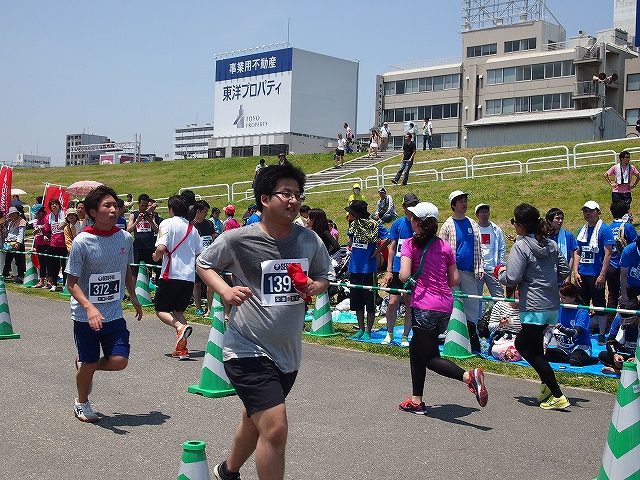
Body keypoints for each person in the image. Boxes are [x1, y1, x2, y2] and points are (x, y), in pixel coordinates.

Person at [196, 164, 330, 480]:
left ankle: (227, 472)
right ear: (264, 199)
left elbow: (325, 275)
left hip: (287, 354)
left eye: (297, 194)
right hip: (246, 350)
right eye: (286, 194)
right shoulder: (239, 239)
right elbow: (203, 263)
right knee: (276, 426)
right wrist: (225, 290)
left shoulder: (309, 241)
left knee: (253, 419)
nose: (293, 200)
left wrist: (315, 286)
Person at [397, 202, 487, 414]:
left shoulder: (410, 244)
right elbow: (454, 279)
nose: (410, 220)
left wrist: (418, 282)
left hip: (423, 305)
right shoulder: (445, 246)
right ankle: (417, 400)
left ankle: (469, 376)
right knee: (415, 349)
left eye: (412, 217)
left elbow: (403, 275)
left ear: (417, 222)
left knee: (429, 357)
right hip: (445, 305)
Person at [65, 185, 143, 423]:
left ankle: (85, 367)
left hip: (113, 313)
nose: (112, 210)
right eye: (106, 206)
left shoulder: (125, 238)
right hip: (85, 316)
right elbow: (71, 283)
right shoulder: (82, 241)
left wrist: (134, 295)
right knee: (89, 362)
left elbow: (126, 269)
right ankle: (82, 403)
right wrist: (89, 307)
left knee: (119, 361)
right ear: (92, 211)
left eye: (114, 205)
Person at [497, 203, 571, 410]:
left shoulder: (521, 246)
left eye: (514, 222)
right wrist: (549, 282)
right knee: (525, 345)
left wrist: (499, 273)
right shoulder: (551, 244)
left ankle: (557, 394)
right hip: (551, 305)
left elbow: (512, 278)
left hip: (533, 306)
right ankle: (547, 387)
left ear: (520, 225)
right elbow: (565, 270)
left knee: (533, 351)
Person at [152, 195, 204, 360]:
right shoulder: (193, 228)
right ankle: (182, 348)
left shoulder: (166, 223)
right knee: (179, 310)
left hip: (170, 274)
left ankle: (180, 327)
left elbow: (161, 248)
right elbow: (200, 253)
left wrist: (154, 257)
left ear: (171, 209)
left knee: (161, 309)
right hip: (188, 277)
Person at [440, 190, 484, 352]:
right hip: (452, 272)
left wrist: (479, 267)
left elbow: (478, 248)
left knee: (473, 305)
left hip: (469, 272)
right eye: (460, 201)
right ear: (453, 205)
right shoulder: (447, 225)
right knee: (455, 303)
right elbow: (442, 252)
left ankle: (473, 337)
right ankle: (454, 337)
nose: (464, 204)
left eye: (465, 201)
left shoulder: (472, 223)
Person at [345, 200, 389, 340]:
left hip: (369, 268)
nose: (350, 215)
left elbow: (389, 237)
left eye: (352, 212)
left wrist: (378, 251)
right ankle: (361, 328)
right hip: (354, 267)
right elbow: (350, 241)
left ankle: (369, 330)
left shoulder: (374, 225)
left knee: (370, 301)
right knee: (357, 300)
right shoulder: (353, 225)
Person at [574, 200, 614, 346]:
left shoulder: (604, 230)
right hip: (582, 274)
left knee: (599, 305)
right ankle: (582, 330)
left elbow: (608, 253)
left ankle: (602, 334)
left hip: (596, 274)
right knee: (581, 305)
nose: (588, 213)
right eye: (585, 211)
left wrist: (602, 274)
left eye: (591, 211)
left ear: (598, 212)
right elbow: (577, 251)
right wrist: (576, 271)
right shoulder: (581, 230)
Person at [381, 193, 419, 346]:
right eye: (409, 205)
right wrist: (389, 270)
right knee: (392, 302)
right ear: (403, 207)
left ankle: (405, 335)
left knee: (410, 303)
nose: (412, 208)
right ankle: (389, 334)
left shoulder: (421, 224)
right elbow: (392, 248)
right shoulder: (397, 224)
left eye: (415, 204)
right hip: (397, 269)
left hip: (413, 271)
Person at [543, 283, 599, 366]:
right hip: (563, 348)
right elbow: (550, 329)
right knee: (541, 354)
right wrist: (545, 344)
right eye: (560, 297)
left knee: (575, 361)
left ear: (573, 297)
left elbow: (576, 333)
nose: (560, 300)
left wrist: (560, 328)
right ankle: (568, 358)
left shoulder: (582, 311)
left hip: (580, 346)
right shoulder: (559, 309)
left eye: (564, 298)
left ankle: (594, 359)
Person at [606, 200, 638, 328]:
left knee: (612, 297)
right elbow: (637, 243)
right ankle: (625, 327)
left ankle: (609, 326)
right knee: (626, 298)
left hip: (610, 267)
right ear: (627, 212)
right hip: (622, 268)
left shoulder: (609, 227)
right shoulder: (628, 227)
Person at [598, 298, 639, 375]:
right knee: (603, 355)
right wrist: (615, 355)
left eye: (631, 321)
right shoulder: (618, 320)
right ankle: (628, 370)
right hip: (630, 357)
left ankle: (620, 371)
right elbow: (610, 342)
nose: (628, 324)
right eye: (625, 322)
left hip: (637, 358)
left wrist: (637, 359)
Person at [475, 203, 506, 301]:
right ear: (477, 215)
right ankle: (478, 316)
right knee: (476, 297)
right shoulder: (474, 229)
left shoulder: (496, 229)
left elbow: (502, 247)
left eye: (486, 212)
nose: (484, 214)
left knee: (499, 297)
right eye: (482, 212)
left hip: (492, 269)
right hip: (478, 269)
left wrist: (500, 265)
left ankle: (501, 315)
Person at [127, 194, 161, 281]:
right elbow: (128, 230)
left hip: (149, 247)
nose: (144, 208)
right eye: (142, 206)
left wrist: (151, 222)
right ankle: (134, 293)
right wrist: (137, 221)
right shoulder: (133, 215)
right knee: (135, 271)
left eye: (146, 206)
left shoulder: (151, 215)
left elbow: (157, 231)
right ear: (138, 203)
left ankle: (146, 292)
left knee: (148, 270)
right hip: (138, 247)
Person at [192, 200, 215, 317]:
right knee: (197, 284)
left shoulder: (209, 224)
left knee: (210, 284)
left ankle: (210, 307)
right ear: (198, 211)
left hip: (210, 258)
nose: (206, 213)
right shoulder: (191, 225)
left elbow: (213, 238)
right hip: (195, 259)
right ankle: (198, 307)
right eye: (205, 211)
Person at [487, 286, 522, 361]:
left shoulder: (525, 307)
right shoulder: (500, 305)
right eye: (519, 290)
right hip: (503, 339)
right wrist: (500, 324)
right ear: (513, 290)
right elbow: (490, 328)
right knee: (496, 350)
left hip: (519, 339)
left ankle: (512, 353)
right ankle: (515, 353)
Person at [545, 208, 577, 284]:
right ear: (549, 220)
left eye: (562, 218)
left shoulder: (568, 236)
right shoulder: (544, 236)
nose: (560, 221)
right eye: (557, 218)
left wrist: (567, 275)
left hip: (563, 275)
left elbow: (572, 257)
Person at [2, 206, 26, 284]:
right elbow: (9, 232)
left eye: (13, 214)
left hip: (17, 243)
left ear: (17, 213)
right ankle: (5, 275)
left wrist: (18, 242)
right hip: (10, 243)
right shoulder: (11, 222)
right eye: (11, 214)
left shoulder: (21, 221)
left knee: (19, 261)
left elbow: (21, 233)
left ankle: (20, 277)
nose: (12, 215)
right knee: (8, 260)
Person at [32, 205, 51, 289]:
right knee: (41, 263)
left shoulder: (46, 217)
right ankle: (41, 280)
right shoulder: (38, 219)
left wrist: (40, 227)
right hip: (39, 243)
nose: (37, 215)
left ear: (42, 211)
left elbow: (46, 225)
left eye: (38, 213)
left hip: (46, 244)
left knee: (48, 263)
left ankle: (50, 281)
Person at [620, 237, 640, 302]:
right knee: (626, 306)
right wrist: (624, 295)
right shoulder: (628, 250)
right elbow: (623, 275)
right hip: (630, 283)